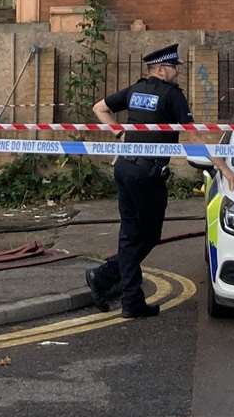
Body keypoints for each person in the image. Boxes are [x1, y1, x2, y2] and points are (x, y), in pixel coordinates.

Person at [85, 43, 193, 318]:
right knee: (147, 236)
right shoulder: (172, 96)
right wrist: (222, 166)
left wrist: (119, 134)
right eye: (174, 67)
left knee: (130, 234)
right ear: (160, 68)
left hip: (125, 168)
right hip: (148, 174)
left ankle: (120, 287)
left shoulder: (136, 91)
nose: (177, 72)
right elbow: (195, 134)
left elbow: (99, 107)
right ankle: (110, 279)